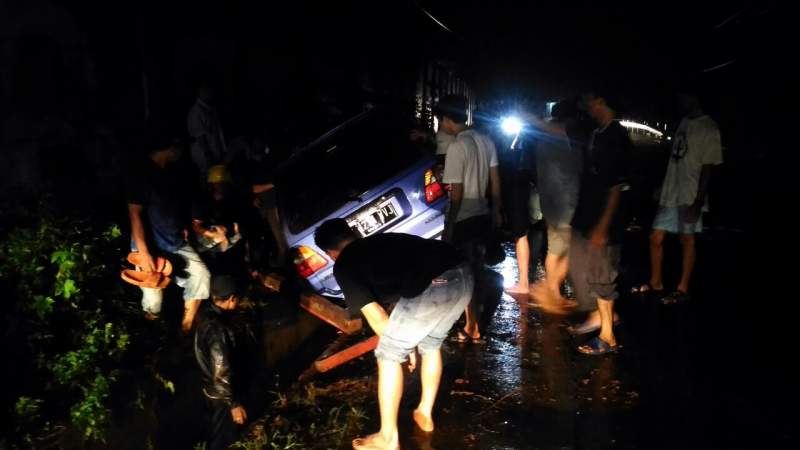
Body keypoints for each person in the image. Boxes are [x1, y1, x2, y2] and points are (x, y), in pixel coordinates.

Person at [314, 219, 473, 450]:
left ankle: (388, 438)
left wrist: (401, 350)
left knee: (388, 355)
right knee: (431, 344)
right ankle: (424, 413)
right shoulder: (380, 241)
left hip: (434, 284)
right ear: (353, 233)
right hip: (464, 275)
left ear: (330, 253)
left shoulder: (345, 264)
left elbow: (376, 314)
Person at [559, 91, 632, 355]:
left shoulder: (616, 136)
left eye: (590, 99)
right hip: (586, 216)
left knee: (602, 277)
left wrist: (603, 225)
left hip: (603, 222)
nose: (586, 104)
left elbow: (616, 186)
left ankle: (608, 337)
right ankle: (599, 317)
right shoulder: (597, 132)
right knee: (580, 270)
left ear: (602, 100)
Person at [634, 89, 723, 304]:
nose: (681, 101)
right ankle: (656, 282)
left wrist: (699, 200)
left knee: (687, 239)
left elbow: (708, 167)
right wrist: (662, 185)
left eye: (685, 97)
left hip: (690, 193)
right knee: (655, 238)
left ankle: (682, 289)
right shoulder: (684, 122)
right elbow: (675, 158)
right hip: (671, 190)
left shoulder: (709, 128)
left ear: (695, 98)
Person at [127, 126, 210, 332]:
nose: (181, 151)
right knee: (153, 295)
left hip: (174, 241)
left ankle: (186, 326)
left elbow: (172, 204)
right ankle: (152, 323)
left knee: (201, 276)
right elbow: (134, 213)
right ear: (169, 148)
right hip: (150, 246)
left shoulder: (171, 172)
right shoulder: (142, 174)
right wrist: (143, 252)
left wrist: (182, 225)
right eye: (179, 147)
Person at [438, 94, 502, 343]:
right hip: (482, 214)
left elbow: (456, 193)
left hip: (464, 217)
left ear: (445, 118)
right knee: (477, 270)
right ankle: (474, 322)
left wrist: (449, 226)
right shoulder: (486, 140)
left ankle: (472, 327)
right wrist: (497, 209)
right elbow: (496, 179)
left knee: (465, 276)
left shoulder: (456, 147)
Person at [526, 101, 582, 308]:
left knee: (555, 249)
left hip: (550, 200)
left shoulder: (542, 138)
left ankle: (553, 292)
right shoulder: (563, 133)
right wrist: (528, 115)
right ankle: (549, 291)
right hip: (565, 201)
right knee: (566, 249)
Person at [194, 275, 247, 450]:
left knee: (214, 428)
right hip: (221, 394)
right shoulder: (218, 330)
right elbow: (221, 370)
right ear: (232, 298)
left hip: (209, 388)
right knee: (222, 437)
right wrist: (234, 404)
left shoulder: (203, 313)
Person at [187, 82, 227, 176]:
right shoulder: (196, 112)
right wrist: (208, 155)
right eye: (207, 90)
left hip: (215, 155)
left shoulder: (210, 109)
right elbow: (199, 135)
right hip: (205, 158)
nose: (210, 92)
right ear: (200, 92)